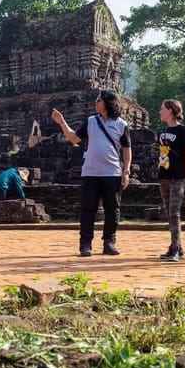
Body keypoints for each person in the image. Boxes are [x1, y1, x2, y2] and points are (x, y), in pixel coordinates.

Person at [51, 89, 132, 257]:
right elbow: (74, 138)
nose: (96, 102)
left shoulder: (121, 125)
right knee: (88, 210)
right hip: (91, 172)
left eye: (99, 100)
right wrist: (62, 123)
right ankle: (85, 244)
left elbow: (127, 149)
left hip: (112, 172)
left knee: (112, 209)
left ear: (108, 103)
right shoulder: (90, 121)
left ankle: (109, 242)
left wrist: (126, 171)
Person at [157, 99, 185, 262]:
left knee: (174, 212)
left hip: (177, 176)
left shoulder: (182, 130)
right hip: (164, 174)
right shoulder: (162, 132)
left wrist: (184, 173)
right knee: (168, 212)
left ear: (171, 111)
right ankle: (178, 245)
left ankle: (175, 248)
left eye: (162, 109)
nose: (160, 111)